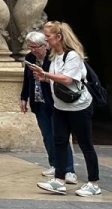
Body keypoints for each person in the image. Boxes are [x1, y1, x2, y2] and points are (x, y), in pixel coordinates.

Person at [30, 21, 102, 197]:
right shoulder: (55, 55)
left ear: (59, 37)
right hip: (60, 106)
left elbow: (68, 79)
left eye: (48, 36)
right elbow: (57, 78)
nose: (45, 39)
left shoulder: (73, 56)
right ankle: (59, 180)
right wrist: (44, 77)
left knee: (85, 144)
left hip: (79, 107)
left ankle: (93, 183)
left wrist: (46, 74)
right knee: (60, 142)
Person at [20, 30, 76, 184]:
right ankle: (54, 164)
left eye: (36, 47)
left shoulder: (54, 58)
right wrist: (24, 97)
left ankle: (69, 169)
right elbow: (27, 79)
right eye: (30, 47)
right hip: (38, 101)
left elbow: (63, 78)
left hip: (54, 102)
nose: (33, 50)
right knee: (47, 135)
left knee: (60, 136)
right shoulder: (30, 58)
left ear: (44, 46)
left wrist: (45, 77)